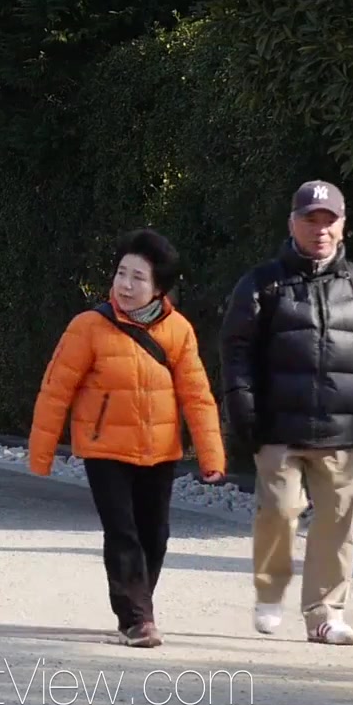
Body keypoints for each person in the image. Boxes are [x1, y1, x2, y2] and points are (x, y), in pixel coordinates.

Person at [28, 229, 228, 647]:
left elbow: (197, 395)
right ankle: (136, 617)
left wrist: (211, 455)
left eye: (138, 277)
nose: (126, 284)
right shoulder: (88, 327)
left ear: (159, 288)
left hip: (160, 449)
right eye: (122, 273)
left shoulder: (178, 331)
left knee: (155, 533)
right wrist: (41, 454)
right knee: (122, 531)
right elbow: (56, 389)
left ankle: (138, 604)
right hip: (104, 448)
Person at [221, 180, 353, 645]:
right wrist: (241, 405)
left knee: (339, 519)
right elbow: (236, 351)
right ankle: (270, 590)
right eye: (310, 220)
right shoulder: (261, 283)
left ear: (342, 227)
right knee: (279, 511)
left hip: (343, 430)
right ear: (292, 224)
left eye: (329, 220)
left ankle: (325, 612)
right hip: (278, 427)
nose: (319, 229)